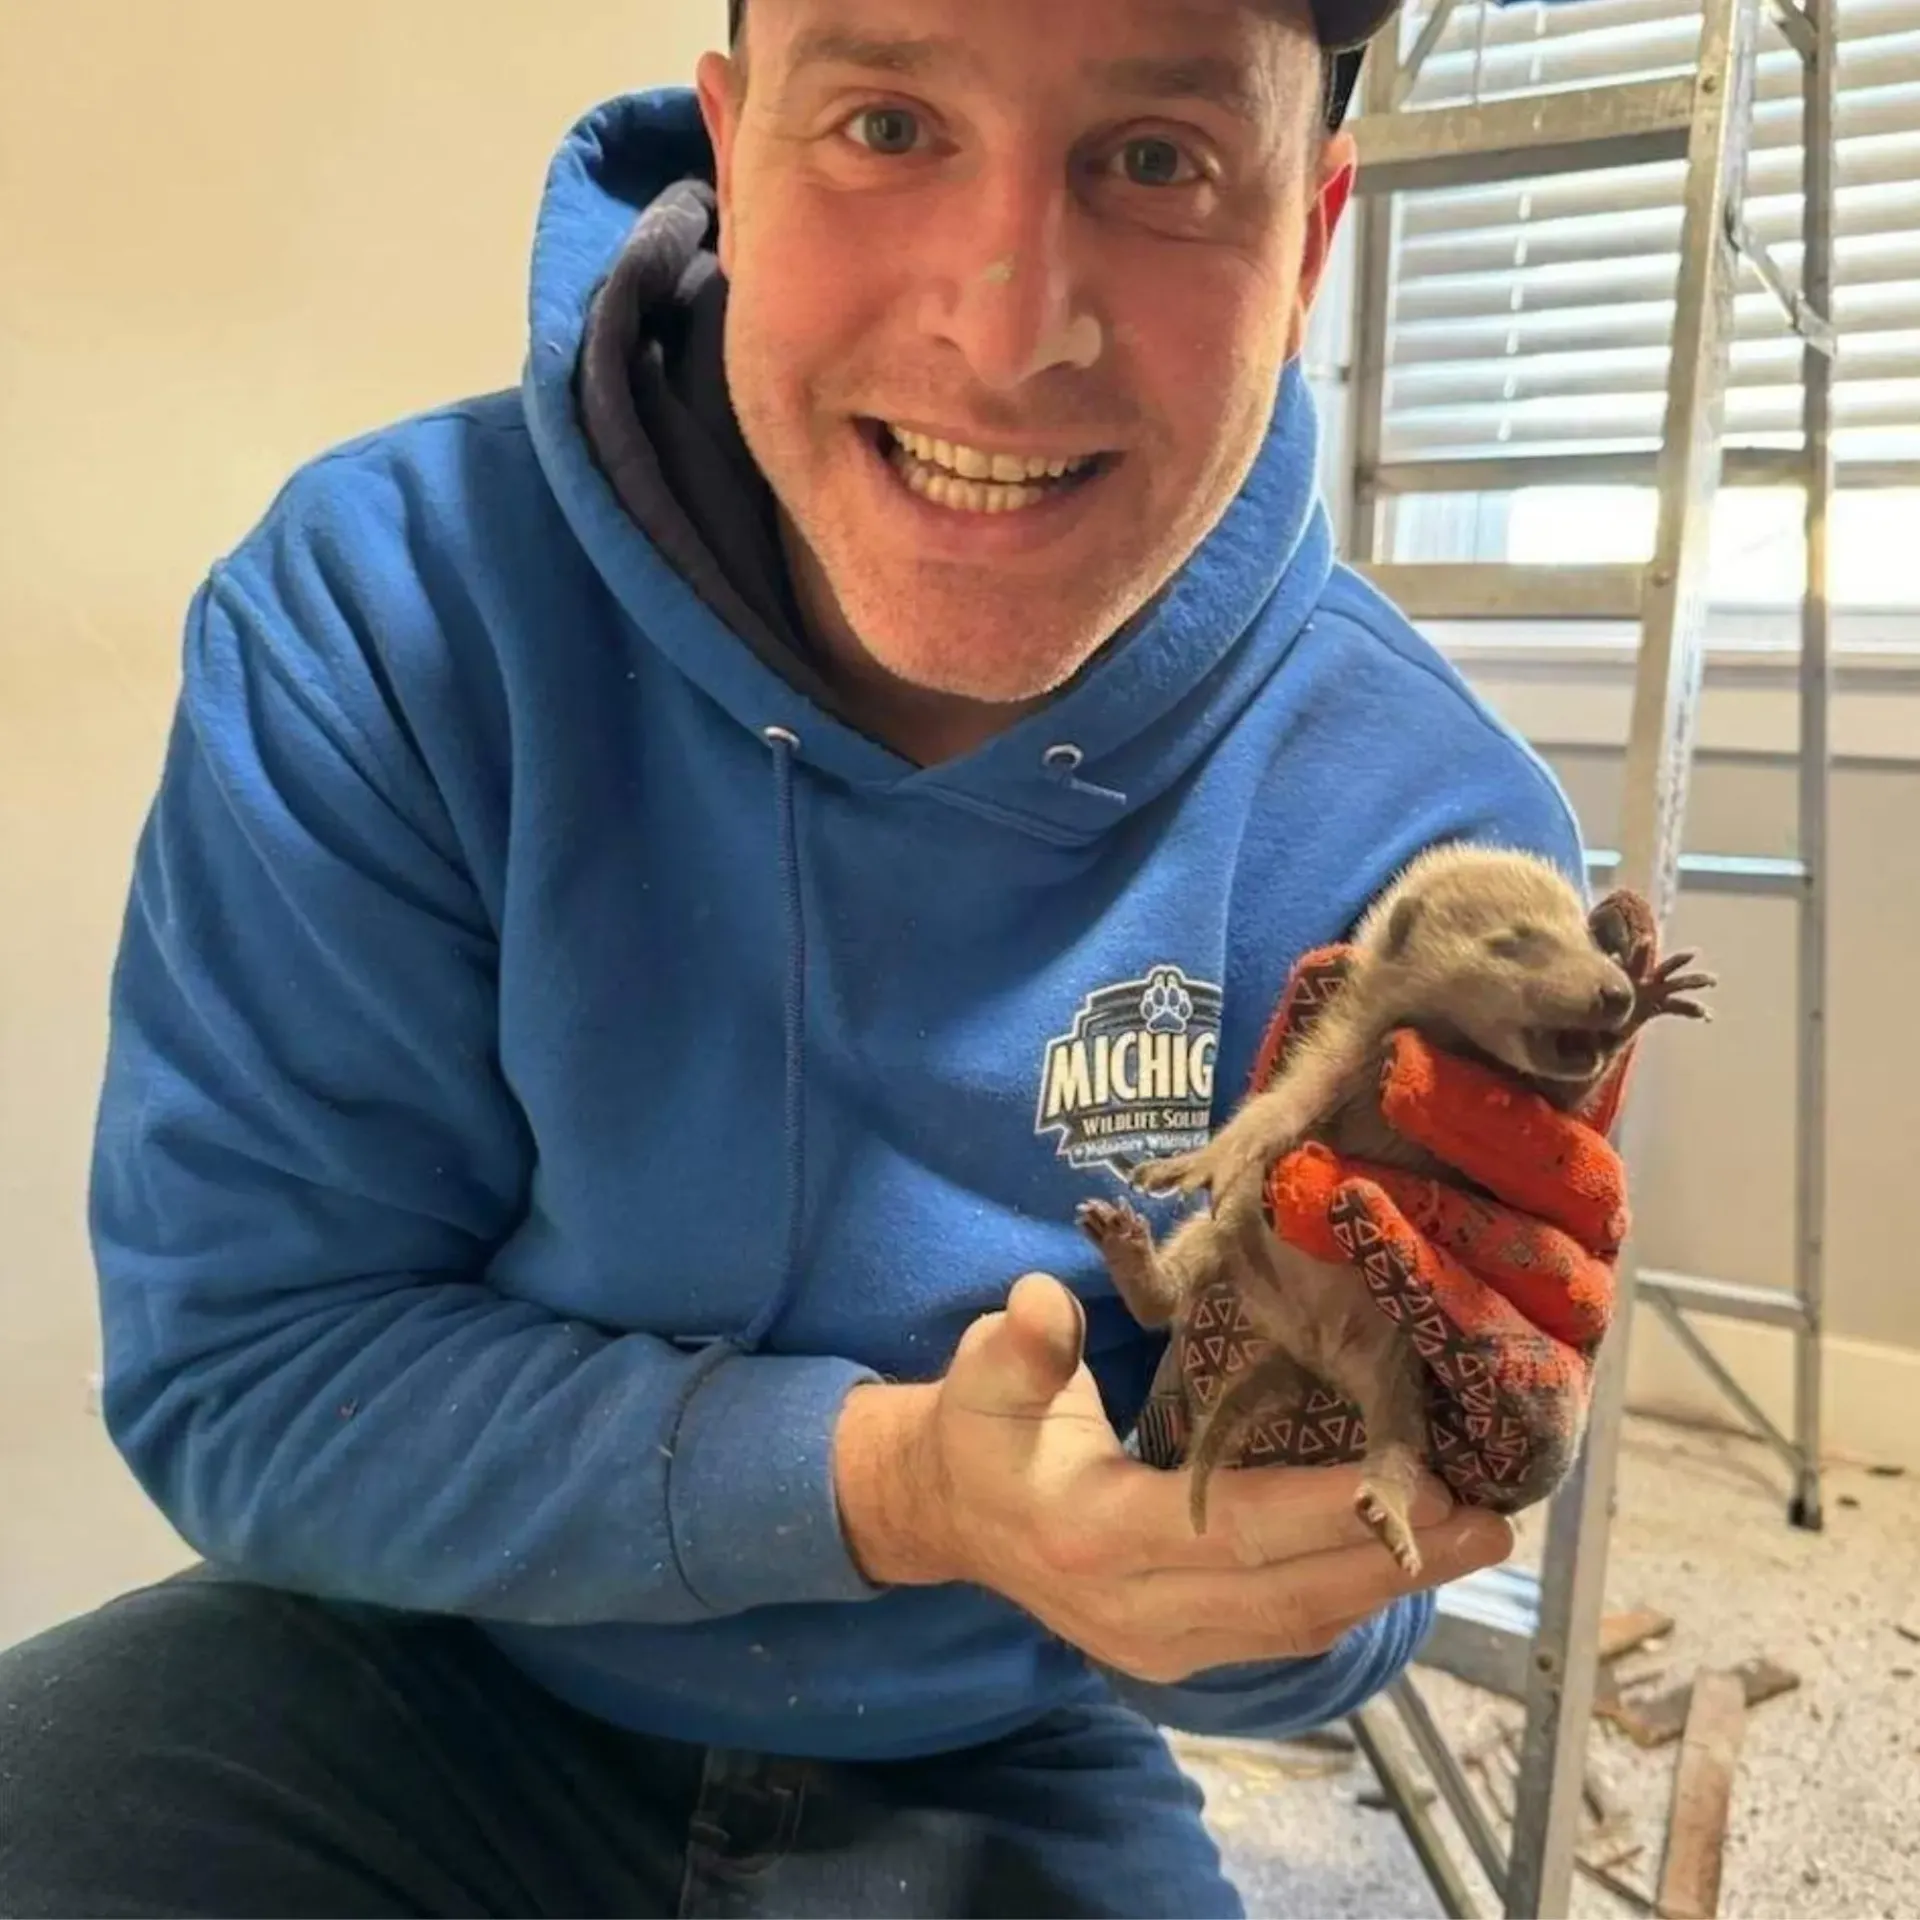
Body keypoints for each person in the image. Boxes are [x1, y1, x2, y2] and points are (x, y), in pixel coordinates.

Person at [0, 2, 1634, 1914]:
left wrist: (1312, 1521)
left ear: (1312, 242)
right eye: (885, 123)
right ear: (731, 152)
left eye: (1162, 161)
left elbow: (1321, 1647)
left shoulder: (1440, 846)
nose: (1007, 327)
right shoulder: (380, 616)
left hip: (1002, 1750)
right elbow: (254, 1372)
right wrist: (880, 1485)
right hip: (419, 1655)